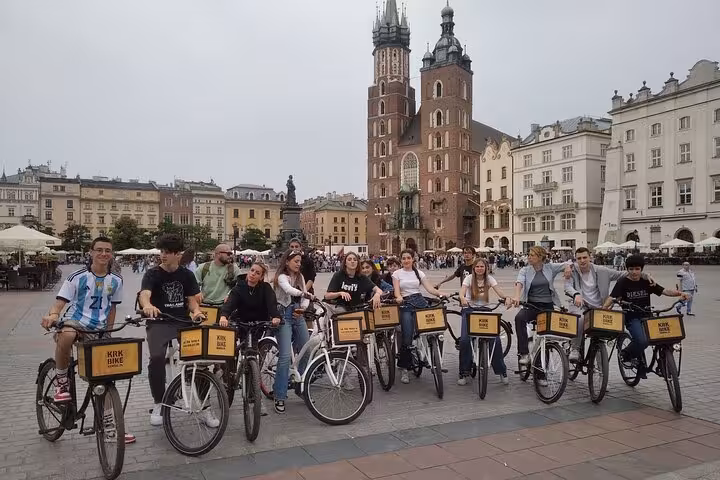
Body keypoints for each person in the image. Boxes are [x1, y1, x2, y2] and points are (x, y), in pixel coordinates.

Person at [41, 236, 135, 443]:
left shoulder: (116, 280)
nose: (103, 254)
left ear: (112, 254)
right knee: (67, 334)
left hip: (98, 328)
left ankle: (111, 428)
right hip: (75, 321)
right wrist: (53, 315)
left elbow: (112, 307)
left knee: (106, 379)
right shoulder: (77, 276)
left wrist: (108, 332)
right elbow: (60, 302)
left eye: (107, 250)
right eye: (99, 250)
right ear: (91, 252)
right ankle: (62, 381)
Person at [138, 234, 209, 427]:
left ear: (178, 255)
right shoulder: (152, 274)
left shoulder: (186, 275)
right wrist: (147, 306)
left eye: (168, 252)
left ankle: (205, 406)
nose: (163, 255)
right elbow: (145, 295)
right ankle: (159, 402)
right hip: (159, 321)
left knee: (199, 359)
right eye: (162, 251)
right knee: (157, 358)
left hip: (182, 321)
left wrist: (195, 312)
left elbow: (192, 301)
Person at [603, 255, 688, 378]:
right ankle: (626, 354)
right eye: (631, 269)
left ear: (641, 269)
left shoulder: (646, 281)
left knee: (666, 338)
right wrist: (603, 309)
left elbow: (664, 291)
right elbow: (612, 297)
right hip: (632, 318)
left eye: (637, 269)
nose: (634, 272)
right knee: (643, 341)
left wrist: (680, 293)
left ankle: (663, 362)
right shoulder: (622, 282)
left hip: (648, 316)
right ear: (627, 269)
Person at [564, 247, 650, 363]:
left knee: (600, 332)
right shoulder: (572, 270)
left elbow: (623, 274)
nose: (582, 260)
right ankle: (575, 348)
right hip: (579, 305)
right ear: (575, 259)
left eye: (585, 257)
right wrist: (576, 294)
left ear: (590, 258)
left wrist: (644, 275)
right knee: (580, 319)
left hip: (599, 306)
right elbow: (567, 285)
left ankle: (601, 366)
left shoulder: (602, 271)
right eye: (579, 258)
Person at [219, 261, 280, 417]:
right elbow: (230, 303)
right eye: (252, 270)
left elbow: (272, 305)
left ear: (261, 277)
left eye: (257, 272)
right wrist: (224, 316)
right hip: (242, 323)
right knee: (235, 352)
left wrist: (275, 317)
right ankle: (230, 376)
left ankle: (254, 399)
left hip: (258, 324)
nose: (252, 274)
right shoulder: (239, 287)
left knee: (253, 359)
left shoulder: (265, 289)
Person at [508, 246, 569, 368]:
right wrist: (516, 296)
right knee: (519, 318)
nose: (529, 257)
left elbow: (569, 263)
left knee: (545, 337)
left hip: (547, 306)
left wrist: (567, 268)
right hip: (531, 305)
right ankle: (524, 353)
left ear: (540, 257)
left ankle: (541, 373)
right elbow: (519, 283)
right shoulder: (525, 270)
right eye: (529, 254)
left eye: (532, 255)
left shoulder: (550, 268)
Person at [392, 249, 446, 385]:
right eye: (403, 258)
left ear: (413, 259)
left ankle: (434, 358)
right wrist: (398, 298)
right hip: (405, 303)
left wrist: (439, 294)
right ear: (401, 260)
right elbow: (397, 291)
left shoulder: (419, 273)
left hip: (419, 300)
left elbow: (429, 288)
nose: (406, 260)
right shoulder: (397, 274)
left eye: (408, 258)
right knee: (407, 336)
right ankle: (404, 368)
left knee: (434, 328)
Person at [272, 250, 314, 414]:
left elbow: (303, 298)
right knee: (284, 358)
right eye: (295, 261)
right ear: (287, 261)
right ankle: (280, 395)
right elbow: (289, 290)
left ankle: (300, 387)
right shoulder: (282, 277)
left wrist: (303, 308)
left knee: (306, 350)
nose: (298, 264)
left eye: (299, 261)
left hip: (298, 315)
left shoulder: (301, 277)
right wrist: (307, 294)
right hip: (283, 316)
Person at [458, 258, 510, 386]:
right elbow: (462, 291)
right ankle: (464, 372)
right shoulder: (469, 278)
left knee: (495, 340)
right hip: (469, 309)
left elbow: (499, 291)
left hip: (485, 310)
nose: (480, 269)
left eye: (482, 266)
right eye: (477, 267)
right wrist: (462, 298)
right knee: (465, 340)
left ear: (486, 268)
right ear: (474, 268)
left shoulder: (489, 279)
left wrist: (507, 297)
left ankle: (501, 370)